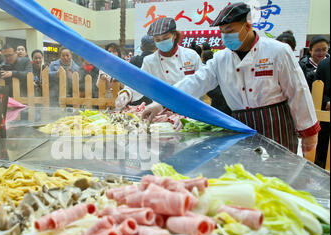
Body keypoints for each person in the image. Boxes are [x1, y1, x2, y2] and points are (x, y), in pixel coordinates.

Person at [142, 2, 320, 154]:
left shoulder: (277, 51)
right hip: (240, 125)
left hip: (276, 123)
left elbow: (298, 91)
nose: (226, 37)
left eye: (230, 31)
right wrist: (161, 103)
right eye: (222, 32)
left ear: (248, 26)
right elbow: (195, 82)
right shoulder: (221, 58)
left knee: (280, 176)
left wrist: (308, 132)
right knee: (247, 176)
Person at [115, 17, 202, 109]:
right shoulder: (150, 61)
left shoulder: (191, 55)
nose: (162, 42)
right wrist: (126, 93)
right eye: (157, 40)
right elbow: (140, 83)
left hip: (191, 109)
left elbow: (202, 81)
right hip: (160, 111)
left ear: (174, 35)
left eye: (165, 38)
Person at [201, 50, 232, 116]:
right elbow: (210, 90)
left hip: (231, 107)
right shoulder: (208, 69)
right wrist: (225, 95)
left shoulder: (228, 67)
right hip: (218, 105)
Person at [313, 57, 330, 168]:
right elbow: (315, 88)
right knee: (322, 151)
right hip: (325, 118)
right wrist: (326, 101)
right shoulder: (324, 65)